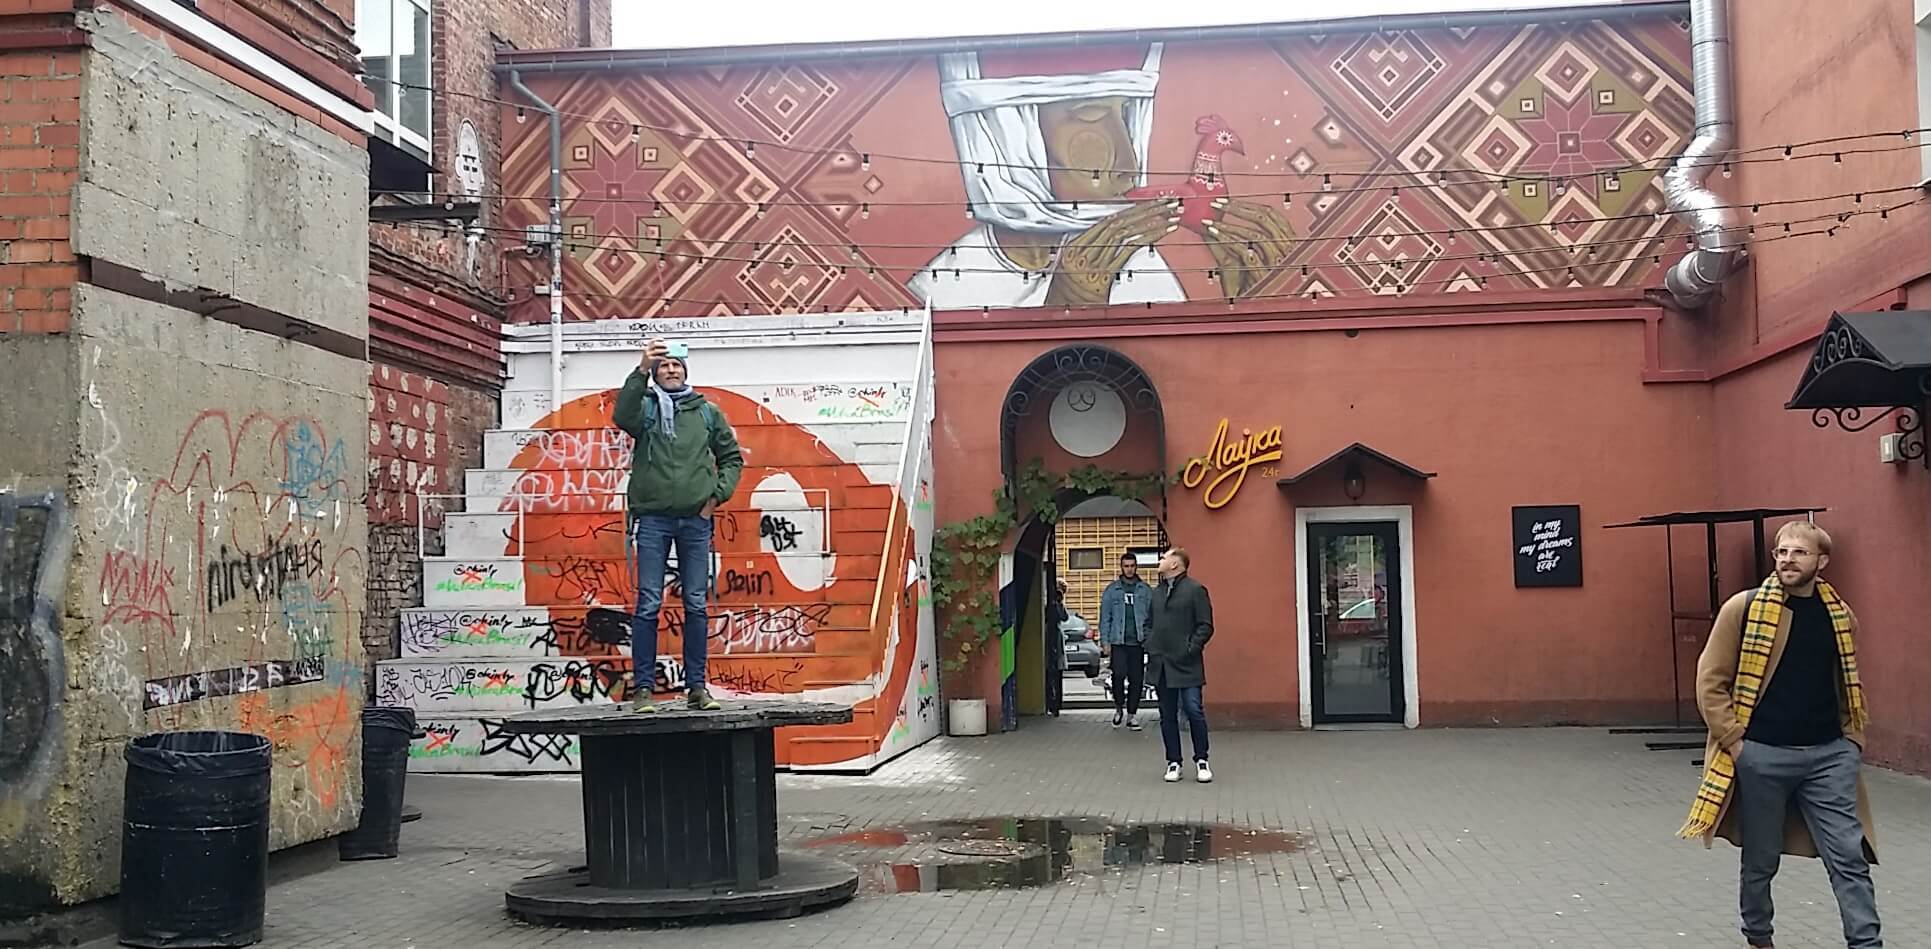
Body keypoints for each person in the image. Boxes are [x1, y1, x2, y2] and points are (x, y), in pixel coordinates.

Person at [905, 45, 1292, 309]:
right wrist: (1066, 312)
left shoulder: (1137, 264)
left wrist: (1246, 314)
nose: (1128, 163)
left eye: (1126, 117)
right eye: (1091, 118)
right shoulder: (943, 289)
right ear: (1008, 137)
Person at [1683, 520, 1880, 949]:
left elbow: (1848, 681)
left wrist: (1852, 741)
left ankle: (1866, 942)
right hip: (1762, 755)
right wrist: (1736, 742)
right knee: (1761, 857)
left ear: (1822, 561)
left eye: (1799, 553)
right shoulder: (1744, 609)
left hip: (1829, 756)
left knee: (1848, 855)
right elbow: (1710, 680)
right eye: (1782, 552)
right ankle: (1758, 935)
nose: (1788, 560)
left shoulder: (1839, 616)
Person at [611, 336, 743, 713]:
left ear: (685, 372)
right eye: (664, 366)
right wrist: (640, 369)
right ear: (655, 373)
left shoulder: (706, 412)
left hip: (695, 521)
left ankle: (697, 688)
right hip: (653, 519)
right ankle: (643, 690)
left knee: (696, 604)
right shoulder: (646, 409)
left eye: (676, 366)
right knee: (648, 604)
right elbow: (622, 416)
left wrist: (715, 498)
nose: (671, 370)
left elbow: (732, 458)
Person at [1146, 547, 1213, 783]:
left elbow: (1205, 625)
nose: (1160, 560)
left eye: (1164, 557)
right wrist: (1150, 644)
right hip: (1162, 665)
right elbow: (1148, 624)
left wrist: (1190, 648)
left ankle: (1202, 760)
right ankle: (1173, 762)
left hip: (1187, 664)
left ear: (1175, 564)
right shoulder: (1157, 592)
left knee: (1194, 710)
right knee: (1167, 715)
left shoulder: (1195, 590)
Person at [1099, 552, 1152, 729]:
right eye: (1126, 566)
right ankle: (1118, 707)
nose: (1129, 569)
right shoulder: (1112, 590)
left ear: (1136, 567)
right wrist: (1105, 641)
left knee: (1137, 679)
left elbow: (1152, 616)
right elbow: (1105, 617)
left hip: (1138, 642)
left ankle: (1132, 715)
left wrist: (1150, 639)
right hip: (1118, 641)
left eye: (1132, 566)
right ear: (1121, 567)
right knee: (1118, 675)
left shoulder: (1145, 590)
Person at [1045, 578, 1069, 717]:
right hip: (1049, 639)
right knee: (1050, 673)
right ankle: (1051, 702)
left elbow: (1064, 617)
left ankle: (1056, 703)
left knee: (1057, 672)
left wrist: (1060, 603)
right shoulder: (1046, 603)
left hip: (1057, 641)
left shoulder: (1058, 605)